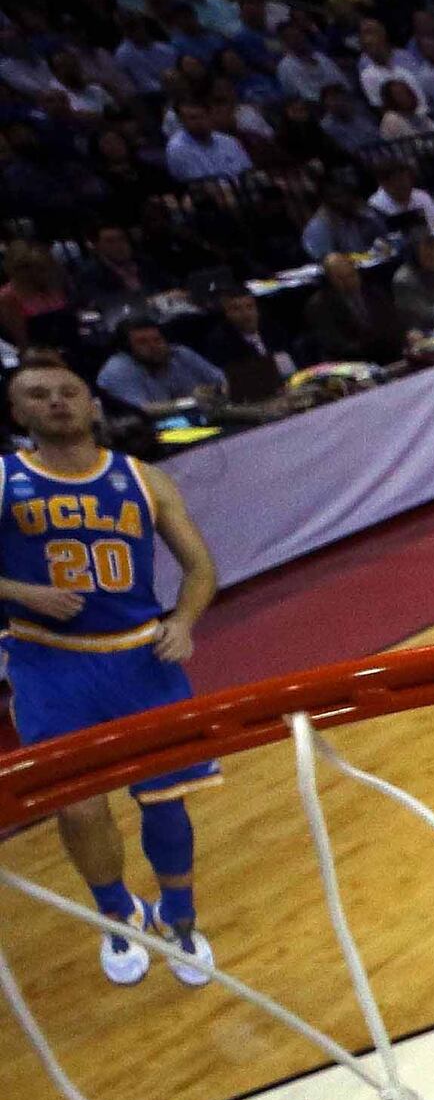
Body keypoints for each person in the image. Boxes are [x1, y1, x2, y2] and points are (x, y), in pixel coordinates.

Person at [1, 362, 223, 986]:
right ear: (18, 414)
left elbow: (201, 569)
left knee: (168, 804)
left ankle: (180, 920)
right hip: (49, 662)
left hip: (140, 657)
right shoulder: (4, 478)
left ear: (92, 405)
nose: (57, 403)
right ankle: (117, 915)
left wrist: (183, 621)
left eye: (69, 392)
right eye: (38, 396)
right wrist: (22, 591)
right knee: (77, 807)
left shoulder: (142, 478)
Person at [94, 318, 226, 416]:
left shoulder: (180, 353)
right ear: (127, 349)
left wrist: (216, 391)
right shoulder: (117, 369)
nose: (153, 346)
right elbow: (144, 410)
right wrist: (192, 402)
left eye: (157, 340)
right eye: (142, 342)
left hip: (203, 418)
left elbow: (222, 380)